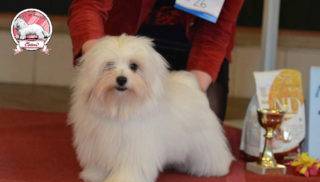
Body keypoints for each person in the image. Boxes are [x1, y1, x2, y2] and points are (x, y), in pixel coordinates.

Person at [68, 0, 244, 121]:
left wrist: (192, 94)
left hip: (191, 46)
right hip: (127, 43)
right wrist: (100, 59)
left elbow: (214, 34)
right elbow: (88, 5)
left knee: (202, 132)